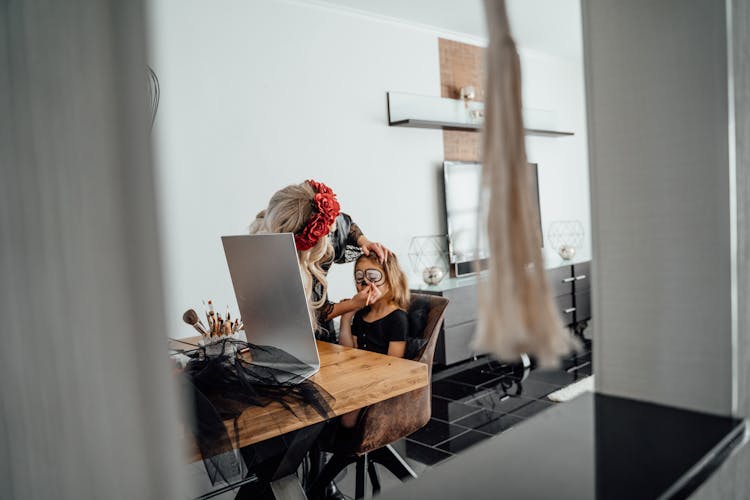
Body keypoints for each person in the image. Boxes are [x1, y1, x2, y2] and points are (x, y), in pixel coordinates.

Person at [249, 179, 391, 343]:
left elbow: (343, 224)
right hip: (295, 336)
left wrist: (364, 241)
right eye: (327, 232)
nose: (332, 232)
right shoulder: (278, 260)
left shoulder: (316, 216)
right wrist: (352, 304)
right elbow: (314, 312)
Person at [338, 252, 411, 429]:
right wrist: (346, 318)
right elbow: (348, 351)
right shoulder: (362, 313)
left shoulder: (397, 318)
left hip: (378, 382)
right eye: (359, 277)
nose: (364, 283)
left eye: (372, 276)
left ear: (389, 278)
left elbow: (394, 364)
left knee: (346, 418)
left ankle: (349, 452)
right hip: (356, 376)